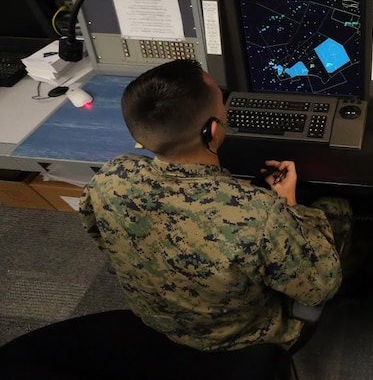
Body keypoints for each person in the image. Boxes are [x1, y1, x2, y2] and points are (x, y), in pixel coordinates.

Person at [79, 59, 352, 354]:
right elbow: (320, 287)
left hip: (155, 320)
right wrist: (289, 203)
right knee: (335, 207)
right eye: (222, 101)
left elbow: (102, 239)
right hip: (244, 340)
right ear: (212, 131)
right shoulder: (260, 214)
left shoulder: (111, 176)